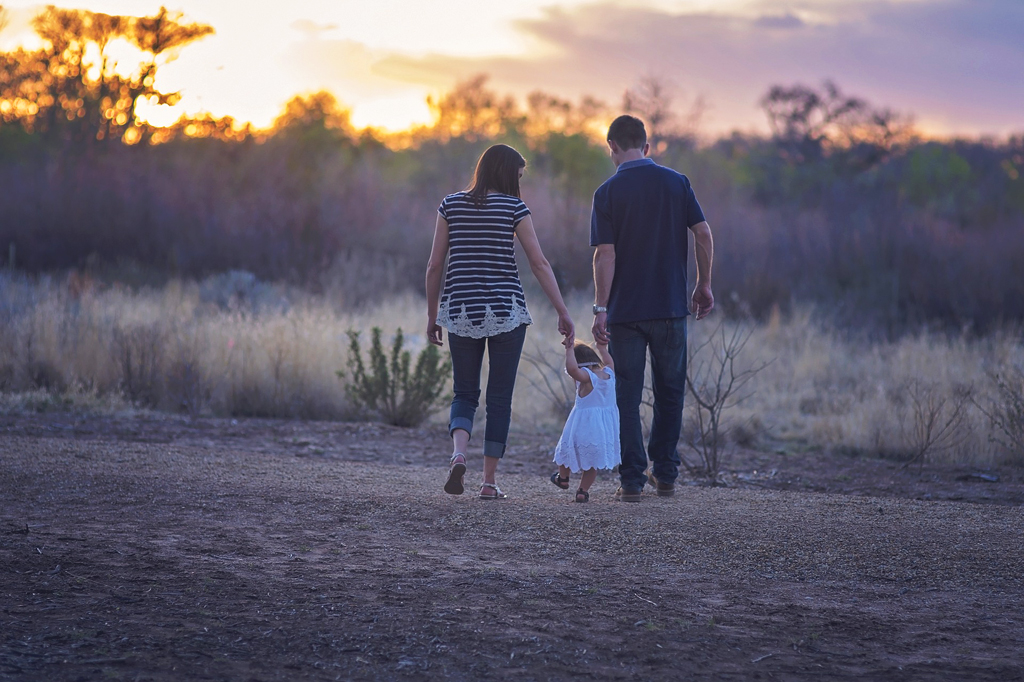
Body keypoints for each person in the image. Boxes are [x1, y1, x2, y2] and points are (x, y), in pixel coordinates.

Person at [426, 144, 574, 500]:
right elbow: (539, 264)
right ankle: (489, 483)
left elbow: (434, 266)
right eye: (518, 176)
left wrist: (433, 316)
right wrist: (562, 310)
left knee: (464, 392)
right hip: (507, 312)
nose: (519, 183)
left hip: (460, 310)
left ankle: (459, 453)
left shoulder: (450, 205)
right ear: (507, 173)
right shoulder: (514, 208)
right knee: (499, 399)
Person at [590, 115, 715, 503]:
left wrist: (600, 307)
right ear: (646, 146)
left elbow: (604, 255)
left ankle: (631, 481)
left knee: (627, 396)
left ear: (611, 147)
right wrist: (703, 284)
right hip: (671, 308)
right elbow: (704, 233)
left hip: (626, 313)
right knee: (670, 392)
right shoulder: (677, 183)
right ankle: (666, 474)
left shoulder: (607, 192)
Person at [550, 340, 619, 503]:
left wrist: (568, 351)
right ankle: (582, 491)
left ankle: (563, 478)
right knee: (592, 463)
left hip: (582, 426)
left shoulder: (587, 377)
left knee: (566, 451)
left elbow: (573, 370)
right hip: (602, 429)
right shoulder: (609, 373)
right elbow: (609, 361)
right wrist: (602, 348)